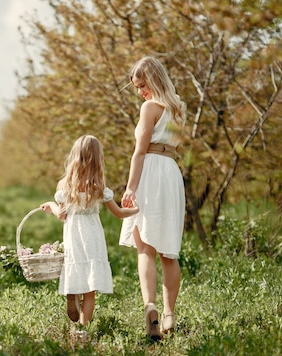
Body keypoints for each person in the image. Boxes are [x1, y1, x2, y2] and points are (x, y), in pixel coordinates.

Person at [119, 56, 186, 341]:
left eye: (142, 85)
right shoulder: (178, 109)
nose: (140, 92)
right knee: (168, 251)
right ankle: (169, 314)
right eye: (136, 87)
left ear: (153, 80)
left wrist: (131, 187)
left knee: (144, 246)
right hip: (171, 173)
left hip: (151, 173)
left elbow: (140, 151)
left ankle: (151, 307)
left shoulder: (150, 108)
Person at [41, 135, 139, 326]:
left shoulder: (65, 187)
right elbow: (118, 213)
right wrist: (137, 209)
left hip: (73, 237)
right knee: (90, 288)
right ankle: (83, 330)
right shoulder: (99, 188)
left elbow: (61, 215)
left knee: (75, 269)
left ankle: (72, 294)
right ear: (98, 159)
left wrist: (50, 206)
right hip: (93, 237)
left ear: (74, 157)